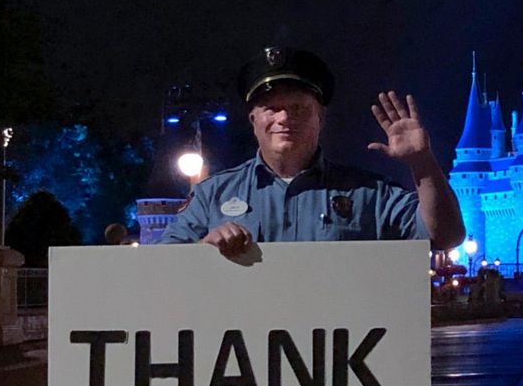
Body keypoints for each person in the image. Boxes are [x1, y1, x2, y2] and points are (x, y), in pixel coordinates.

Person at [158, 46, 465, 258]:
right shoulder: (213, 195)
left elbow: (446, 236)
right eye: (272, 109)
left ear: (320, 119)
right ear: (254, 121)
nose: (284, 118)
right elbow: (159, 268)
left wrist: (422, 163)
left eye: (298, 108)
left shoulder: (370, 195)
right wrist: (203, 250)